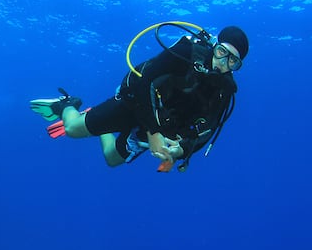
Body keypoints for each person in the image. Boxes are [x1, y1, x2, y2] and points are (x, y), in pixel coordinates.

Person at [30, 23, 249, 172]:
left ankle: (100, 120)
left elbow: (206, 131)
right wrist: (154, 133)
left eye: (233, 62)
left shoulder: (225, 90)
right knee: (72, 130)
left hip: (161, 125)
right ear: (214, 45)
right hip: (135, 102)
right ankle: (68, 105)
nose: (223, 64)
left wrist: (180, 150)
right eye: (222, 53)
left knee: (111, 159)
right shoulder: (187, 52)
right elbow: (146, 81)